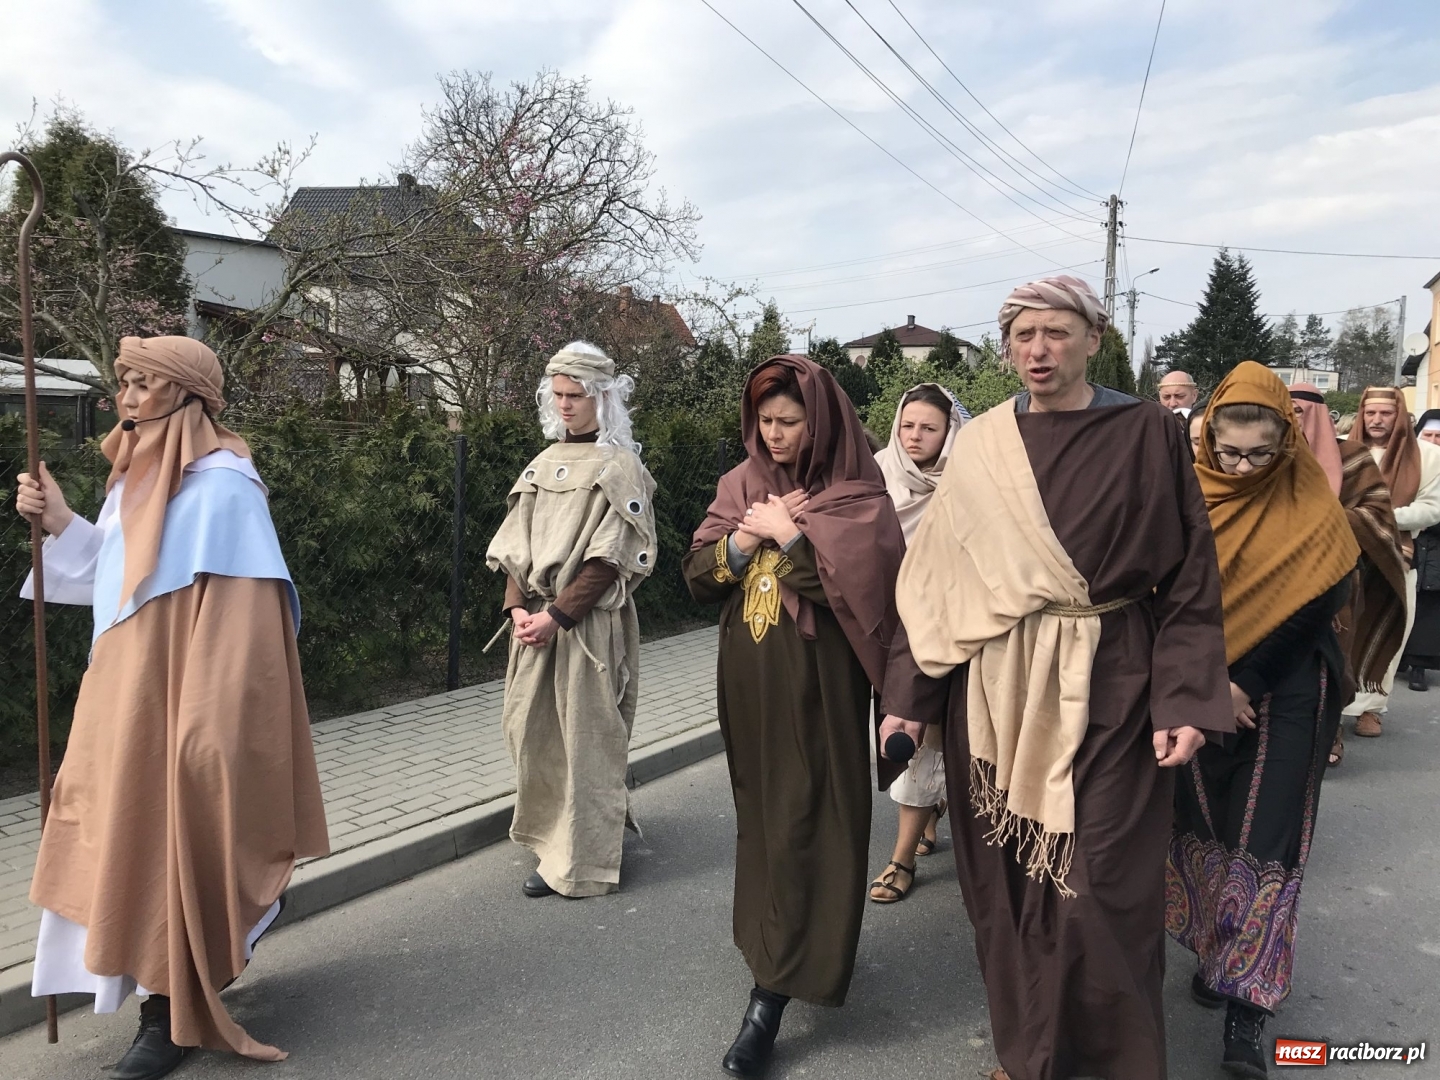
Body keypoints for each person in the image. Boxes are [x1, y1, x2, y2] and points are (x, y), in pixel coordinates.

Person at [880, 276, 1233, 1080]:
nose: (1038, 350)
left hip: (1114, 679)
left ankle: (1111, 1064)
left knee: (1102, 891)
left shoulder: (1148, 431)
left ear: (1092, 339)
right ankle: (1029, 1051)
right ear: (1007, 347)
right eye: (1023, 335)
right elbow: (940, 580)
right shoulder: (982, 445)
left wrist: (1182, 695)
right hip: (995, 690)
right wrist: (907, 701)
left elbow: (1187, 577)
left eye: (1056, 333)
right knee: (1005, 894)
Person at [16, 336, 329, 1078]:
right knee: (114, 840)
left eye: (143, 384)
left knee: (170, 846)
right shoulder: (138, 480)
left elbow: (247, 633)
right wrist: (61, 520)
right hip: (120, 700)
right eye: (122, 383)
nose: (125, 398)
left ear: (189, 397)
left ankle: (170, 1017)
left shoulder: (225, 489)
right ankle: (147, 992)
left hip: (183, 712)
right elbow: (122, 579)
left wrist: (207, 733)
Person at [685, 355, 905, 1077]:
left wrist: (792, 535)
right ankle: (775, 952)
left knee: (811, 819)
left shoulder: (856, 490)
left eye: (788, 421)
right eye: (764, 422)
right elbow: (697, 577)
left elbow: (863, 594)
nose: (774, 436)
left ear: (821, 419)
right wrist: (743, 540)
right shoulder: (740, 484)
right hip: (749, 688)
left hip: (821, 688)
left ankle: (769, 998)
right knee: (769, 821)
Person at [1170, 362, 1360, 1077]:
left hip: (1284, 688)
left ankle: (1249, 1011)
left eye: (1258, 452)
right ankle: (1217, 954)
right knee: (1201, 824)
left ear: (1284, 443)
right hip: (1195, 681)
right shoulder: (1188, 495)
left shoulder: (1308, 499)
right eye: (1230, 452)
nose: (1243, 466)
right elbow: (1169, 592)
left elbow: (1320, 596)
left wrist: (1242, 680)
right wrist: (1207, 681)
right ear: (1208, 441)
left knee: (1267, 841)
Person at [486, 342, 657, 900]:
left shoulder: (621, 466)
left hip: (585, 627)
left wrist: (558, 616)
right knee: (534, 736)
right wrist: (517, 608)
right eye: (557, 394)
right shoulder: (540, 463)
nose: (564, 404)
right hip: (535, 625)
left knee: (587, 741)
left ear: (602, 397)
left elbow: (610, 557)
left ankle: (581, 861)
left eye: (575, 395)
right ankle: (551, 840)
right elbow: (517, 544)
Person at [868, 384, 969, 904]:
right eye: (908, 425)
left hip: (943, 626)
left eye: (929, 428)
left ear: (950, 431)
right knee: (895, 733)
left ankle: (900, 859)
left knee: (920, 739)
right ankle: (931, 811)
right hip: (884, 625)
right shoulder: (876, 473)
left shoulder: (968, 480)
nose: (915, 437)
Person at [1290, 384, 1406, 767]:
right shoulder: (1269, 454)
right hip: (1278, 579)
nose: (1294, 418)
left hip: (1337, 577)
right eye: (1286, 409)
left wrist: (1326, 518)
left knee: (1332, 658)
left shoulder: (1351, 457)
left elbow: (1378, 513)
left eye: (1302, 411)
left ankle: (1331, 733)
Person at [1342, 387, 1440, 737]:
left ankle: (1371, 707)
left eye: (1385, 413)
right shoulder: (1342, 449)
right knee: (1342, 631)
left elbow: (1432, 508)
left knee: (1388, 628)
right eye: (1370, 413)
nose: (1377, 420)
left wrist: (1374, 520)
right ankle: (1332, 710)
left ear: (1399, 416)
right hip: (1341, 554)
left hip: (1394, 557)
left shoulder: (1426, 455)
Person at [1400, 409, 1440, 690]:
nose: (1435, 440)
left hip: (1436, 544)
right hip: (1409, 541)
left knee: (1428, 607)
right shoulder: (1410, 462)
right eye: (1429, 434)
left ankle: (1419, 665)